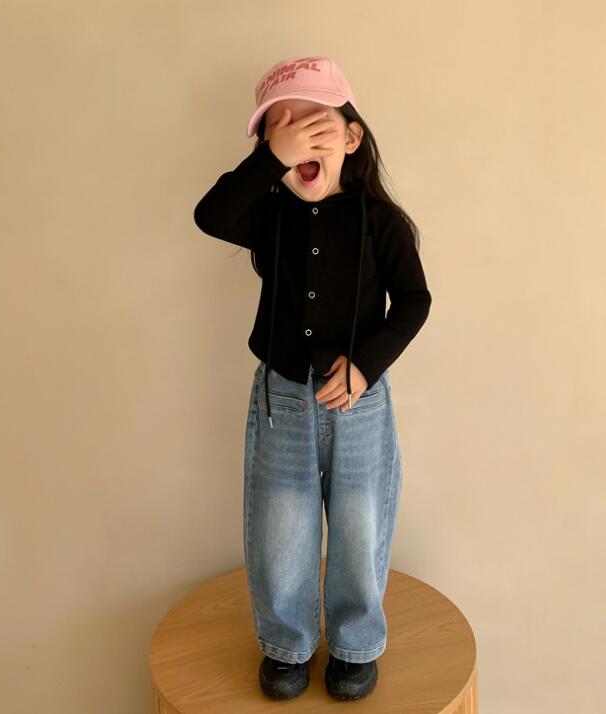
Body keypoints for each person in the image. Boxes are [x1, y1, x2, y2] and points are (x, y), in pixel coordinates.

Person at [193, 55, 432, 702]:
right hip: (282, 398)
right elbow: (210, 215)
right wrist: (273, 160)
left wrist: (366, 366)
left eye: (314, 123)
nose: (298, 135)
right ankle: (286, 645)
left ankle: (355, 647)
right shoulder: (268, 214)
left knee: (360, 521)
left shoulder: (382, 221)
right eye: (281, 127)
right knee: (282, 525)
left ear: (351, 137)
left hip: (359, 401)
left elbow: (414, 302)